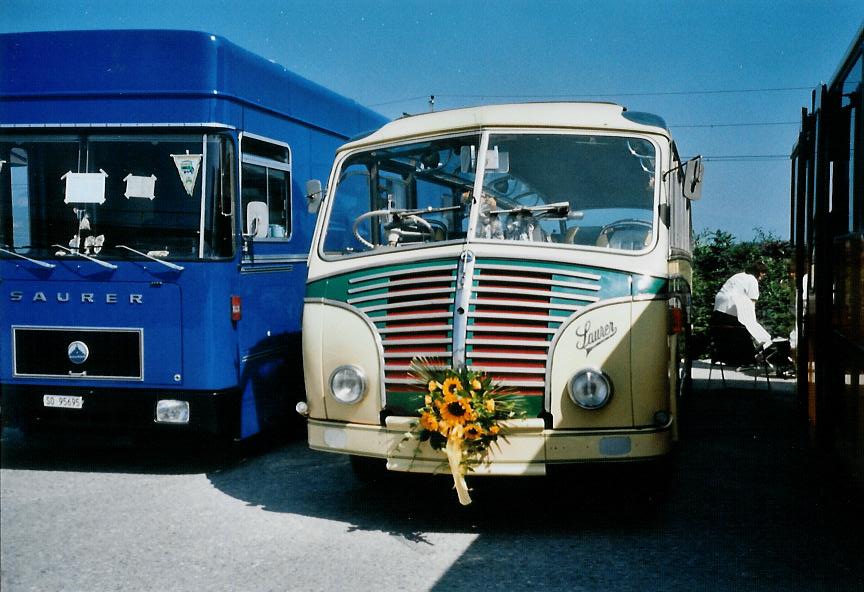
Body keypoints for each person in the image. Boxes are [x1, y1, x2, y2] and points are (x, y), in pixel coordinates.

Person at [711, 262, 773, 349]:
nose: (763, 276)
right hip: (732, 308)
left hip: (719, 308)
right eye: (763, 273)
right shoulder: (752, 280)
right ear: (759, 273)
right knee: (744, 333)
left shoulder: (738, 276)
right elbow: (752, 303)